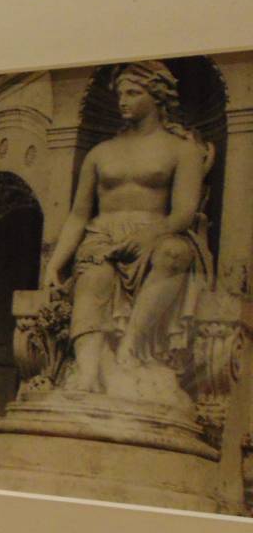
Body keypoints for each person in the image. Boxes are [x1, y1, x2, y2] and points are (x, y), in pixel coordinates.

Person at [42, 61, 213, 395]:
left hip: (158, 233)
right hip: (102, 237)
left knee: (175, 253)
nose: (123, 101)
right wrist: (54, 263)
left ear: (157, 96)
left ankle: (131, 347)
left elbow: (184, 212)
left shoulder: (183, 150)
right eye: (121, 94)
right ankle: (88, 372)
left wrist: (149, 235)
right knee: (94, 277)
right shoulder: (100, 153)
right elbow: (78, 214)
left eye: (133, 93)